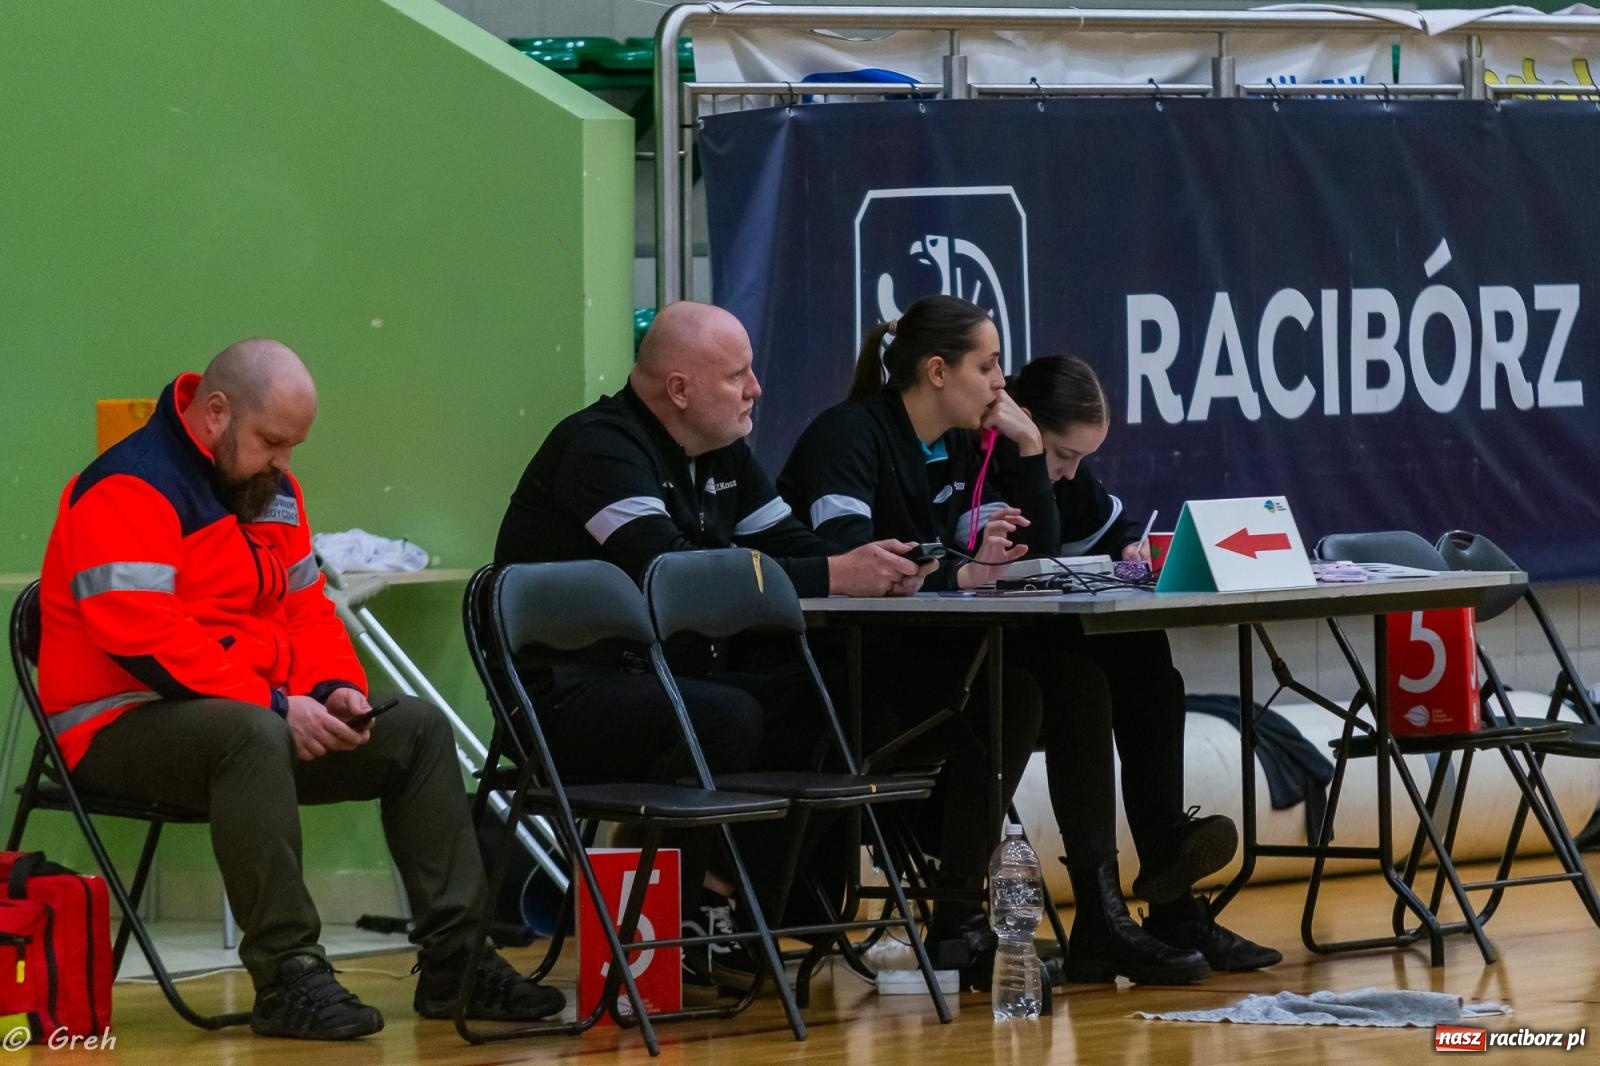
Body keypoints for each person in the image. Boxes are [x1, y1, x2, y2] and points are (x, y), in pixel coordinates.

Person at [37, 339, 564, 1041]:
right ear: (215, 412)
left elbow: (306, 607)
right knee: (250, 735)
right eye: (272, 441)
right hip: (118, 725)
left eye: (293, 445)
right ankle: (288, 976)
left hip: (244, 717)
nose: (285, 461)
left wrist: (335, 687)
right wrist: (279, 706)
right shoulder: (127, 485)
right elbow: (146, 641)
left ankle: (458, 962)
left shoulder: (270, 490)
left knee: (416, 730)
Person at [780, 295, 1230, 986]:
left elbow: (1037, 552)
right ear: (937, 371)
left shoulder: (965, 445)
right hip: (853, 671)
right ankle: (958, 923)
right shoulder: (848, 435)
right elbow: (852, 566)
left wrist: (1014, 471)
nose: (1001, 382)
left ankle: (1102, 920)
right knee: (1013, 691)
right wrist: (961, 566)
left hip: (937, 651)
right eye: (989, 365)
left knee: (1082, 680)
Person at [493, 301, 934, 992]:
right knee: (725, 716)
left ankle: (751, 907)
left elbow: (792, 548)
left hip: (671, 682)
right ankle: (691, 913)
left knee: (850, 689)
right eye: (738, 375)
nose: (757, 388)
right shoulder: (599, 449)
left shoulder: (723, 453)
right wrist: (831, 574)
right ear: (679, 390)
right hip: (565, 695)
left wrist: (878, 563)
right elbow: (671, 576)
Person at [1001, 354, 1282, 974]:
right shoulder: (990, 467)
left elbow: (1112, 530)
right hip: (992, 655)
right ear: (1023, 423)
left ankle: (1169, 886)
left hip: (1044, 641)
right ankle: (1118, 907)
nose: (1070, 472)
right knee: (1089, 683)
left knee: (1148, 659)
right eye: (1061, 455)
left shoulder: (1070, 479)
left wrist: (1131, 549)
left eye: (1081, 458)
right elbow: (1037, 545)